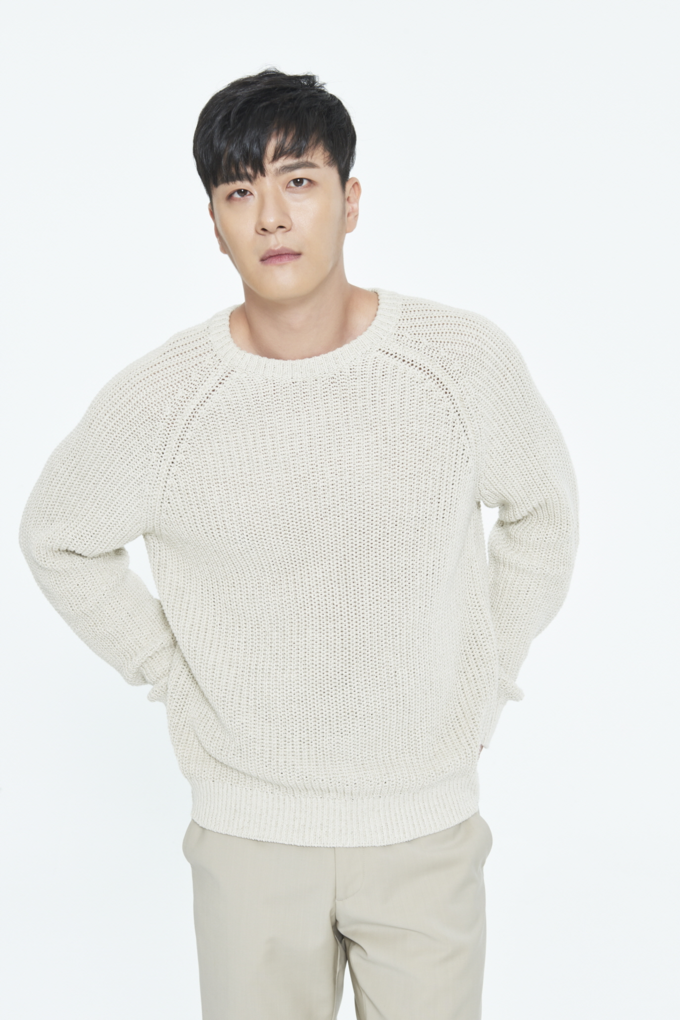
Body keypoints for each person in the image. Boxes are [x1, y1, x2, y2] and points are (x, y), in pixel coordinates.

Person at [18, 67, 579, 1020]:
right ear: (214, 222)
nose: (272, 216)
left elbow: (545, 511)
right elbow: (57, 536)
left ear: (350, 201)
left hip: (424, 828)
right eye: (240, 192)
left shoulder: (457, 364)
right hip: (250, 838)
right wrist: (171, 670)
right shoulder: (167, 400)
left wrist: (484, 670)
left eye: (300, 181)